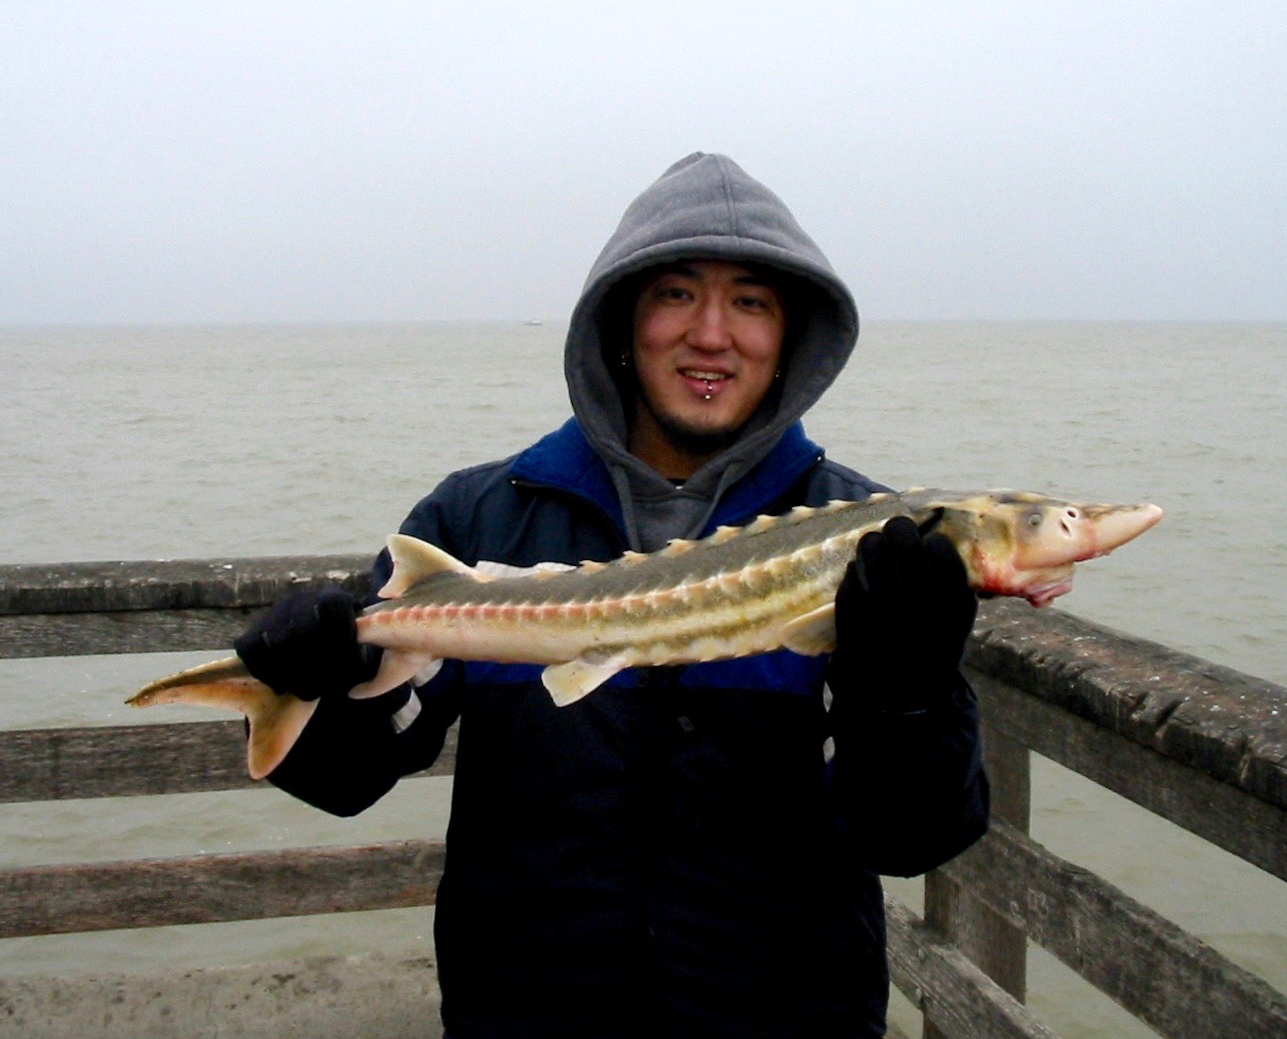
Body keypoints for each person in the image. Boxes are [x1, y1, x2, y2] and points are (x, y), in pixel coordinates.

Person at [237, 152, 989, 1039]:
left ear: (790, 337)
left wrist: (905, 699)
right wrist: (315, 683)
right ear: (623, 324)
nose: (712, 334)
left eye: (751, 302)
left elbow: (911, 837)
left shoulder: (862, 542)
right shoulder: (480, 520)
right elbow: (349, 778)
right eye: (676, 294)